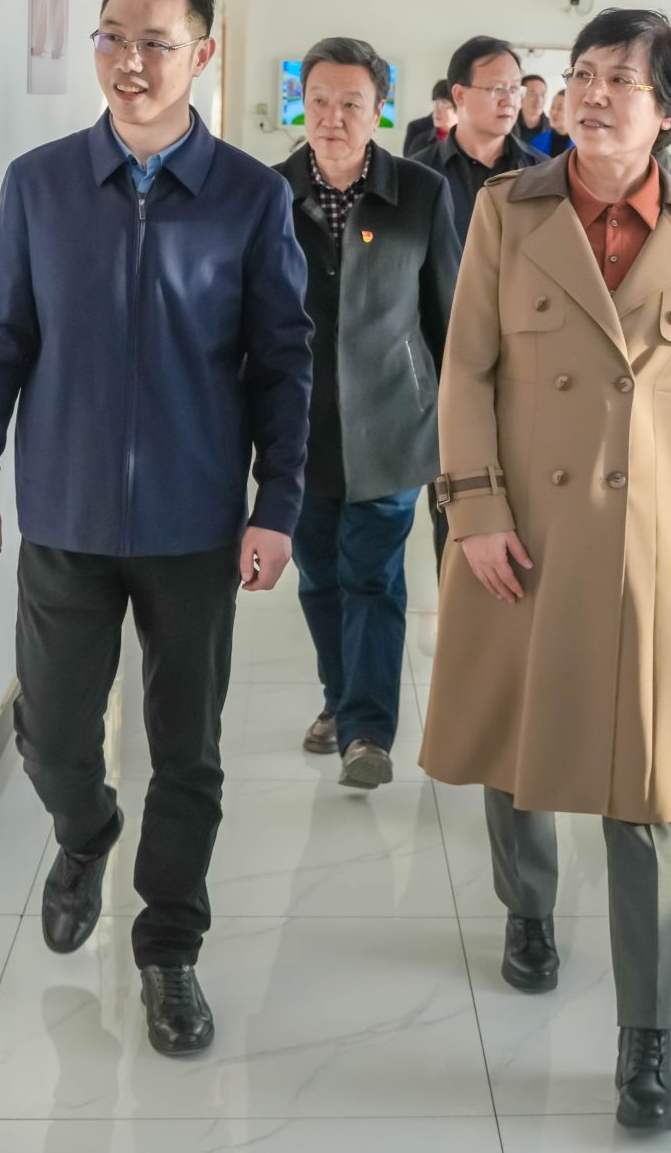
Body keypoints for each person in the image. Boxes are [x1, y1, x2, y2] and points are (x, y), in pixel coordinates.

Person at [0, 0, 311, 1057]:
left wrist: (276, 503)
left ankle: (169, 950)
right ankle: (86, 827)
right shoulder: (42, 183)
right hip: (64, 512)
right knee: (55, 735)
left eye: (157, 42)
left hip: (196, 525)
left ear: (203, 54)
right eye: (112, 37)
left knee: (186, 749)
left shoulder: (249, 196)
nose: (131, 62)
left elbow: (283, 362)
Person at [421, 9, 671, 1132]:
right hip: (522, 519)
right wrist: (473, 510)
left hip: (647, 533)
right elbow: (464, 371)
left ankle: (646, 1039)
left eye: (623, 80)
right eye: (584, 75)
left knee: (645, 787)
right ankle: (528, 907)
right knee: (516, 735)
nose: (594, 94)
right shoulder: (505, 210)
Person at [274, 38, 460, 788]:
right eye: (318, 100)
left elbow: (447, 315)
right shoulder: (270, 192)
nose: (332, 117)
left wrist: (456, 423)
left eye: (351, 103)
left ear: (379, 109)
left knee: (374, 577)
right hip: (298, 427)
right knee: (319, 576)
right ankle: (340, 697)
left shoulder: (420, 192)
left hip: (393, 423)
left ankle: (367, 733)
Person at [411, 34, 547, 246]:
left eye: (514, 89)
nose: (509, 101)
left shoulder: (542, 172)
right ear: (459, 95)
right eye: (497, 89)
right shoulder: (419, 174)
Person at [401, 78, 455, 160]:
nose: (436, 111)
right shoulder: (419, 137)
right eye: (435, 103)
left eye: (444, 104)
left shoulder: (468, 138)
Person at [517, 71, 554, 154]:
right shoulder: (507, 127)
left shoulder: (553, 130)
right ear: (521, 96)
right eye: (533, 94)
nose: (539, 100)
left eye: (542, 94)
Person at [545, 86, 573, 157]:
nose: (554, 112)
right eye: (552, 107)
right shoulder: (537, 143)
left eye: (559, 108)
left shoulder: (583, 146)